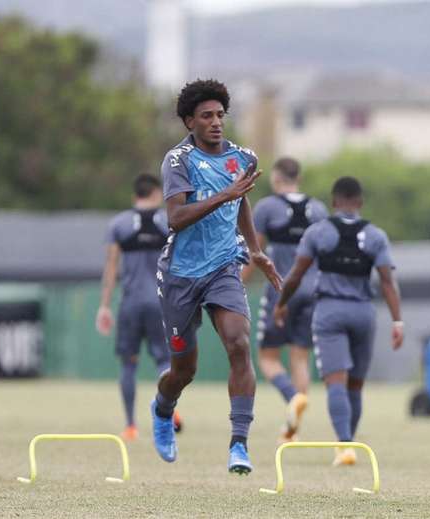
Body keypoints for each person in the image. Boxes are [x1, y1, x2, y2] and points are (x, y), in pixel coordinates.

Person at [151, 79, 282, 475]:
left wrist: (255, 249)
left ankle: (239, 444)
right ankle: (163, 408)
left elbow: (242, 199)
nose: (215, 122)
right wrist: (225, 194)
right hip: (180, 274)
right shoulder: (179, 161)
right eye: (206, 116)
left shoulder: (243, 158)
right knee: (183, 370)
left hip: (224, 266)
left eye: (220, 115)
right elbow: (176, 217)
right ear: (190, 121)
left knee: (239, 343)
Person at [274, 176, 403, 466]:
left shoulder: (318, 232)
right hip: (363, 313)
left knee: (336, 383)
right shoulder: (375, 235)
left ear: (333, 203)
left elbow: (295, 275)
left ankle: (344, 445)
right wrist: (398, 322)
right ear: (360, 203)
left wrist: (281, 304)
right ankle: (347, 443)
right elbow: (387, 282)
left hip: (329, 311)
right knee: (355, 385)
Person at [242, 157, 328, 443]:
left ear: (277, 178)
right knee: (300, 359)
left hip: (281, 291)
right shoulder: (319, 208)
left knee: (267, 358)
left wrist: (236, 282)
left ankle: (292, 397)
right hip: (313, 291)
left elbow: (256, 252)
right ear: (298, 178)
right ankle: (292, 430)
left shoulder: (267, 207)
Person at [96, 174, 182, 440]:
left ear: (135, 195)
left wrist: (104, 305)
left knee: (129, 363)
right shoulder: (168, 221)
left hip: (130, 303)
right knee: (165, 361)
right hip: (160, 302)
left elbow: (111, 267)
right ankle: (169, 409)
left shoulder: (119, 224)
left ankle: (131, 425)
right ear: (156, 193)